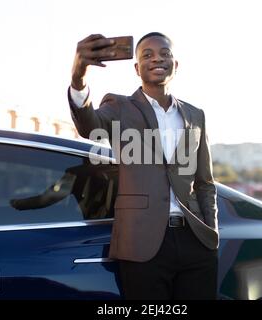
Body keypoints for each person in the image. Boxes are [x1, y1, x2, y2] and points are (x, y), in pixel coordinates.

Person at [67, 32, 219, 300]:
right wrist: (78, 77)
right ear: (137, 68)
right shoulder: (120, 107)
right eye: (147, 55)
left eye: (164, 53)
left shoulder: (196, 115)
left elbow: (205, 182)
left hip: (195, 241)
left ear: (176, 64)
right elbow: (89, 126)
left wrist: (211, 231)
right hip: (142, 244)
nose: (157, 59)